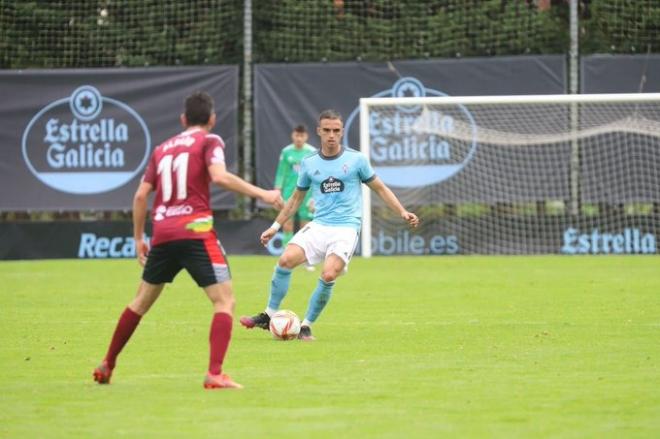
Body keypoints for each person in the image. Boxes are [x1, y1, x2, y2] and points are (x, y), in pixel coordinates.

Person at [93, 92, 283, 389]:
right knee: (225, 301)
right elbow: (219, 177)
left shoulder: (162, 149)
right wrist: (264, 194)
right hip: (195, 232)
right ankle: (214, 373)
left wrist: (138, 237)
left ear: (183, 119)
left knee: (140, 302)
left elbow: (141, 195)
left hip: (163, 234)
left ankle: (107, 363)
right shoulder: (210, 141)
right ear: (212, 119)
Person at [240, 109, 419, 340]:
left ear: (342, 132)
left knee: (328, 274)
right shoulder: (309, 162)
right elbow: (295, 199)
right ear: (319, 131)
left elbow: (380, 188)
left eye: (336, 130)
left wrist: (403, 211)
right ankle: (268, 315)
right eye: (327, 130)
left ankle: (305, 326)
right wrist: (275, 227)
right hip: (319, 225)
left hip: (346, 228)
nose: (331, 135)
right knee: (285, 260)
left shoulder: (356, 160)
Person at [274, 125, 316, 250]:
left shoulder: (311, 152)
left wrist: (315, 196)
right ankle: (286, 255)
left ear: (306, 137)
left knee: (306, 226)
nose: (299, 138)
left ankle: (305, 257)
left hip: (306, 194)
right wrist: (277, 191)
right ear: (293, 135)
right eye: (297, 135)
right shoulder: (286, 152)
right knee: (287, 223)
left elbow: (315, 175)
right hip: (289, 193)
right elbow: (281, 173)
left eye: (301, 136)